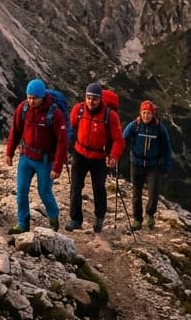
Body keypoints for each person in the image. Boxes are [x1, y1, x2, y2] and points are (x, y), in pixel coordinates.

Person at [4, 78, 67, 233]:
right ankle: (22, 224)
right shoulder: (23, 108)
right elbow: (15, 131)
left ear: (42, 97)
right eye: (29, 97)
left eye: (35, 98)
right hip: (25, 157)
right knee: (21, 191)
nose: (31, 101)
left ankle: (53, 218)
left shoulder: (55, 113)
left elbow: (62, 142)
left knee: (44, 192)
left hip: (45, 161)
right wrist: (9, 152)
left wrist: (57, 166)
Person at [66, 82, 124, 233]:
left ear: (101, 100)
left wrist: (113, 156)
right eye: (89, 98)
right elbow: (71, 127)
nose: (91, 102)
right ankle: (75, 219)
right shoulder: (78, 110)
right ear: (85, 97)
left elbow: (118, 139)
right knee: (75, 186)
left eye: (95, 99)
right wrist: (65, 144)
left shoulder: (110, 116)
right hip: (80, 153)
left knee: (98, 188)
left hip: (99, 157)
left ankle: (99, 218)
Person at [123, 100, 173, 230]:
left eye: (149, 113)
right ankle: (137, 220)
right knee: (136, 194)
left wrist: (167, 165)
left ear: (153, 114)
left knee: (154, 192)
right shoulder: (134, 126)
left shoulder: (159, 128)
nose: (146, 115)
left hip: (153, 165)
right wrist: (115, 155)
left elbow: (167, 148)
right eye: (144, 112)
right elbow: (122, 140)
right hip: (136, 163)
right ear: (140, 113)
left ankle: (150, 214)